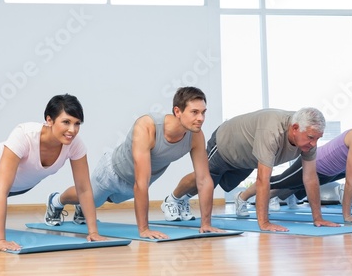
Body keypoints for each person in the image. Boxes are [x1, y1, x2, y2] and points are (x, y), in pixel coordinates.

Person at [45, 86, 222, 239]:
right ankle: (56, 201)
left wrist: (206, 223)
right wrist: (143, 229)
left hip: (133, 186)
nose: (201, 118)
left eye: (203, 112)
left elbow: (204, 179)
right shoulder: (148, 126)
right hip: (112, 173)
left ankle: (82, 210)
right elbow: (141, 181)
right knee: (89, 198)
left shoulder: (195, 136)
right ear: (177, 111)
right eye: (195, 112)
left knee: (105, 201)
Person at [0, 94, 106, 252]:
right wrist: (0, 240)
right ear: (49, 120)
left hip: (22, 184)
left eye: (77, 123)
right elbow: (2, 189)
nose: (72, 130)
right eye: (66, 122)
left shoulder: (75, 145)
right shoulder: (25, 134)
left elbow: (84, 189)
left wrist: (93, 232)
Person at [163, 107, 338, 232]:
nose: (314, 143)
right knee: (204, 178)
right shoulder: (272, 131)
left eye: (317, 138)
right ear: (294, 128)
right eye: (310, 137)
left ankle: (182, 199)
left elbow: (310, 178)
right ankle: (172, 199)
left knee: (215, 183)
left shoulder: (308, 139)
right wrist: (264, 223)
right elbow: (263, 180)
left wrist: (318, 218)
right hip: (226, 144)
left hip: (247, 158)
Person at [238, 111, 352, 223]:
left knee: (290, 187)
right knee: (279, 182)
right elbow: (350, 181)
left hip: (331, 173)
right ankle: (242, 197)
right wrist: (347, 216)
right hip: (317, 164)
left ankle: (286, 196)